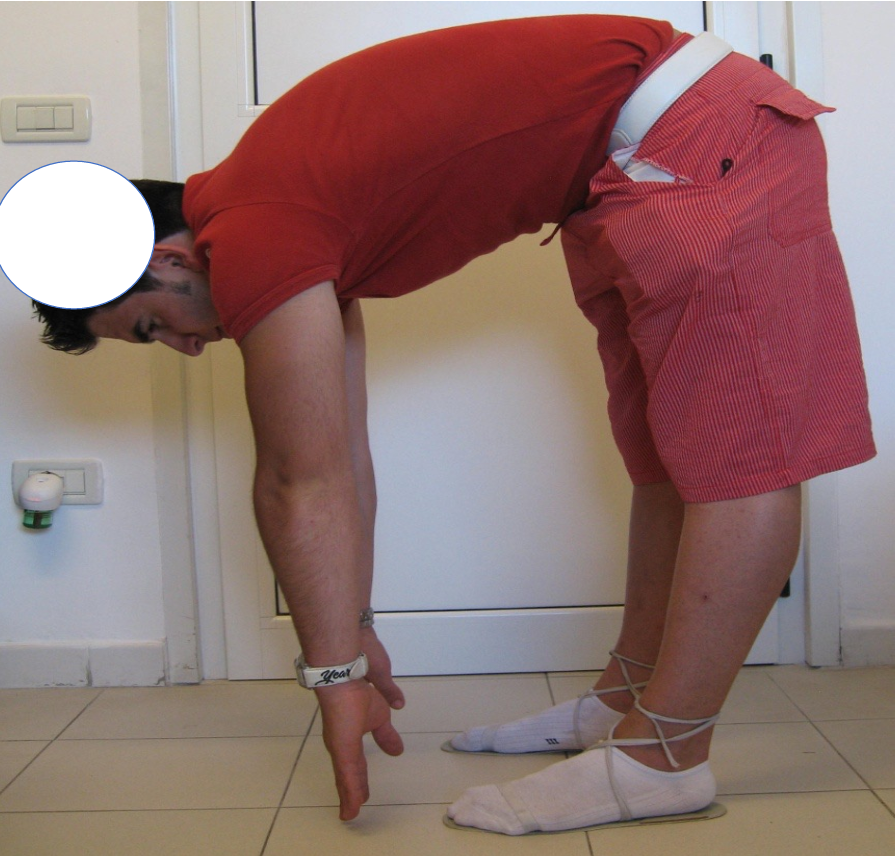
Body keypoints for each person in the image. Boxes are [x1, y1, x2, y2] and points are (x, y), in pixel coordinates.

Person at [31, 15, 874, 835]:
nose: (186, 348)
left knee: (745, 459)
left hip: (689, 136)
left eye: (154, 325)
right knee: (666, 457)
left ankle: (665, 758)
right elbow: (338, 456)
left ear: (169, 258)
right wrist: (353, 634)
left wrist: (333, 675)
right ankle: (625, 702)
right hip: (632, 164)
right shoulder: (279, 213)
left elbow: (296, 482)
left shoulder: (255, 230)